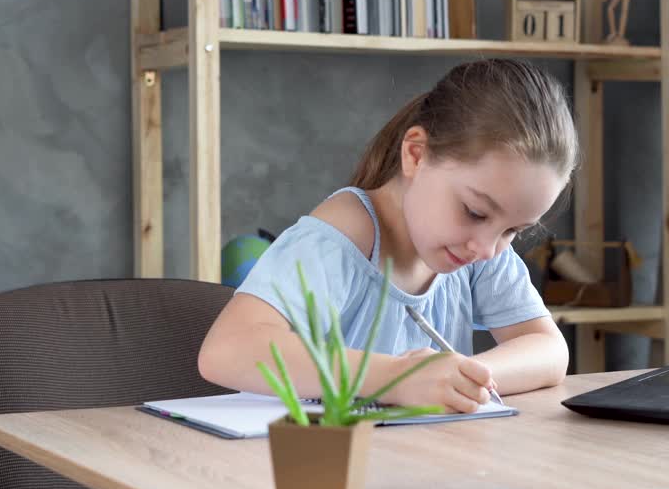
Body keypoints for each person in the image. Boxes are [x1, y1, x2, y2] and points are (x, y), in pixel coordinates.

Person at [198, 58, 578, 413]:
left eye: (513, 230)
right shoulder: (339, 239)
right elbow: (226, 350)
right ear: (415, 154)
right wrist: (396, 378)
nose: (487, 247)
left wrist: (457, 379)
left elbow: (549, 350)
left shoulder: (479, 248)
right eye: (475, 212)